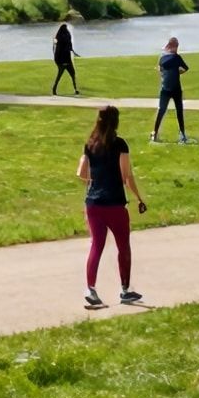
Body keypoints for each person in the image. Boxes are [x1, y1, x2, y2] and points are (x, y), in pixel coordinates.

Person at [76, 105, 146, 309]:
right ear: (115, 121)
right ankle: (125, 290)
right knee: (123, 246)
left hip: (94, 203)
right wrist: (139, 198)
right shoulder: (120, 144)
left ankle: (90, 289)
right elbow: (126, 176)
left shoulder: (90, 144)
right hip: (115, 203)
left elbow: (80, 173)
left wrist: (96, 179)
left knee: (96, 246)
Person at [152, 37, 192, 144]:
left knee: (161, 110)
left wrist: (166, 74)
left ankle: (154, 133)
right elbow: (186, 68)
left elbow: (160, 69)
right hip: (176, 88)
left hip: (165, 88)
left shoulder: (162, 58)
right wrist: (178, 72)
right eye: (177, 46)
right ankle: (182, 134)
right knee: (179, 111)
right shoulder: (177, 57)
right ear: (174, 46)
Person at [52, 23, 79, 96]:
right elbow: (60, 50)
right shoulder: (61, 38)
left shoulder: (62, 36)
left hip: (66, 59)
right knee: (61, 75)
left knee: (72, 74)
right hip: (62, 60)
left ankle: (75, 89)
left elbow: (69, 46)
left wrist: (73, 52)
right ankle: (54, 89)